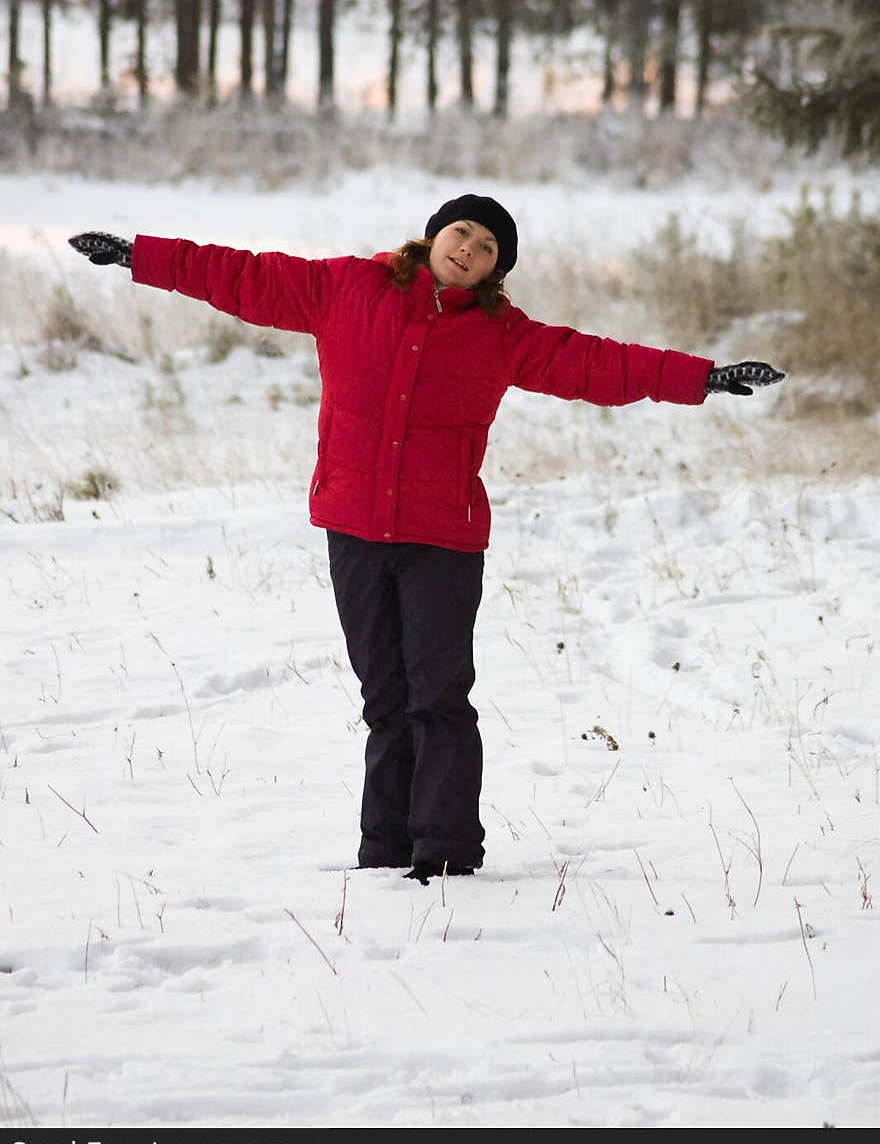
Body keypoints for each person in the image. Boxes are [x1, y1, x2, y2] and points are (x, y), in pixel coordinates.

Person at [69, 195, 784, 884]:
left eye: (486, 248)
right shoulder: (346, 287)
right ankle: (384, 849)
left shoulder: (504, 335)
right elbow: (243, 276)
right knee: (384, 695)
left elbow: (596, 362)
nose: (468, 249)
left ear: (495, 270)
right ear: (435, 233)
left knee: (437, 695)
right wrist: (141, 256)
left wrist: (703, 378)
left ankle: (443, 852)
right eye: (463, 233)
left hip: (442, 538)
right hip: (353, 526)